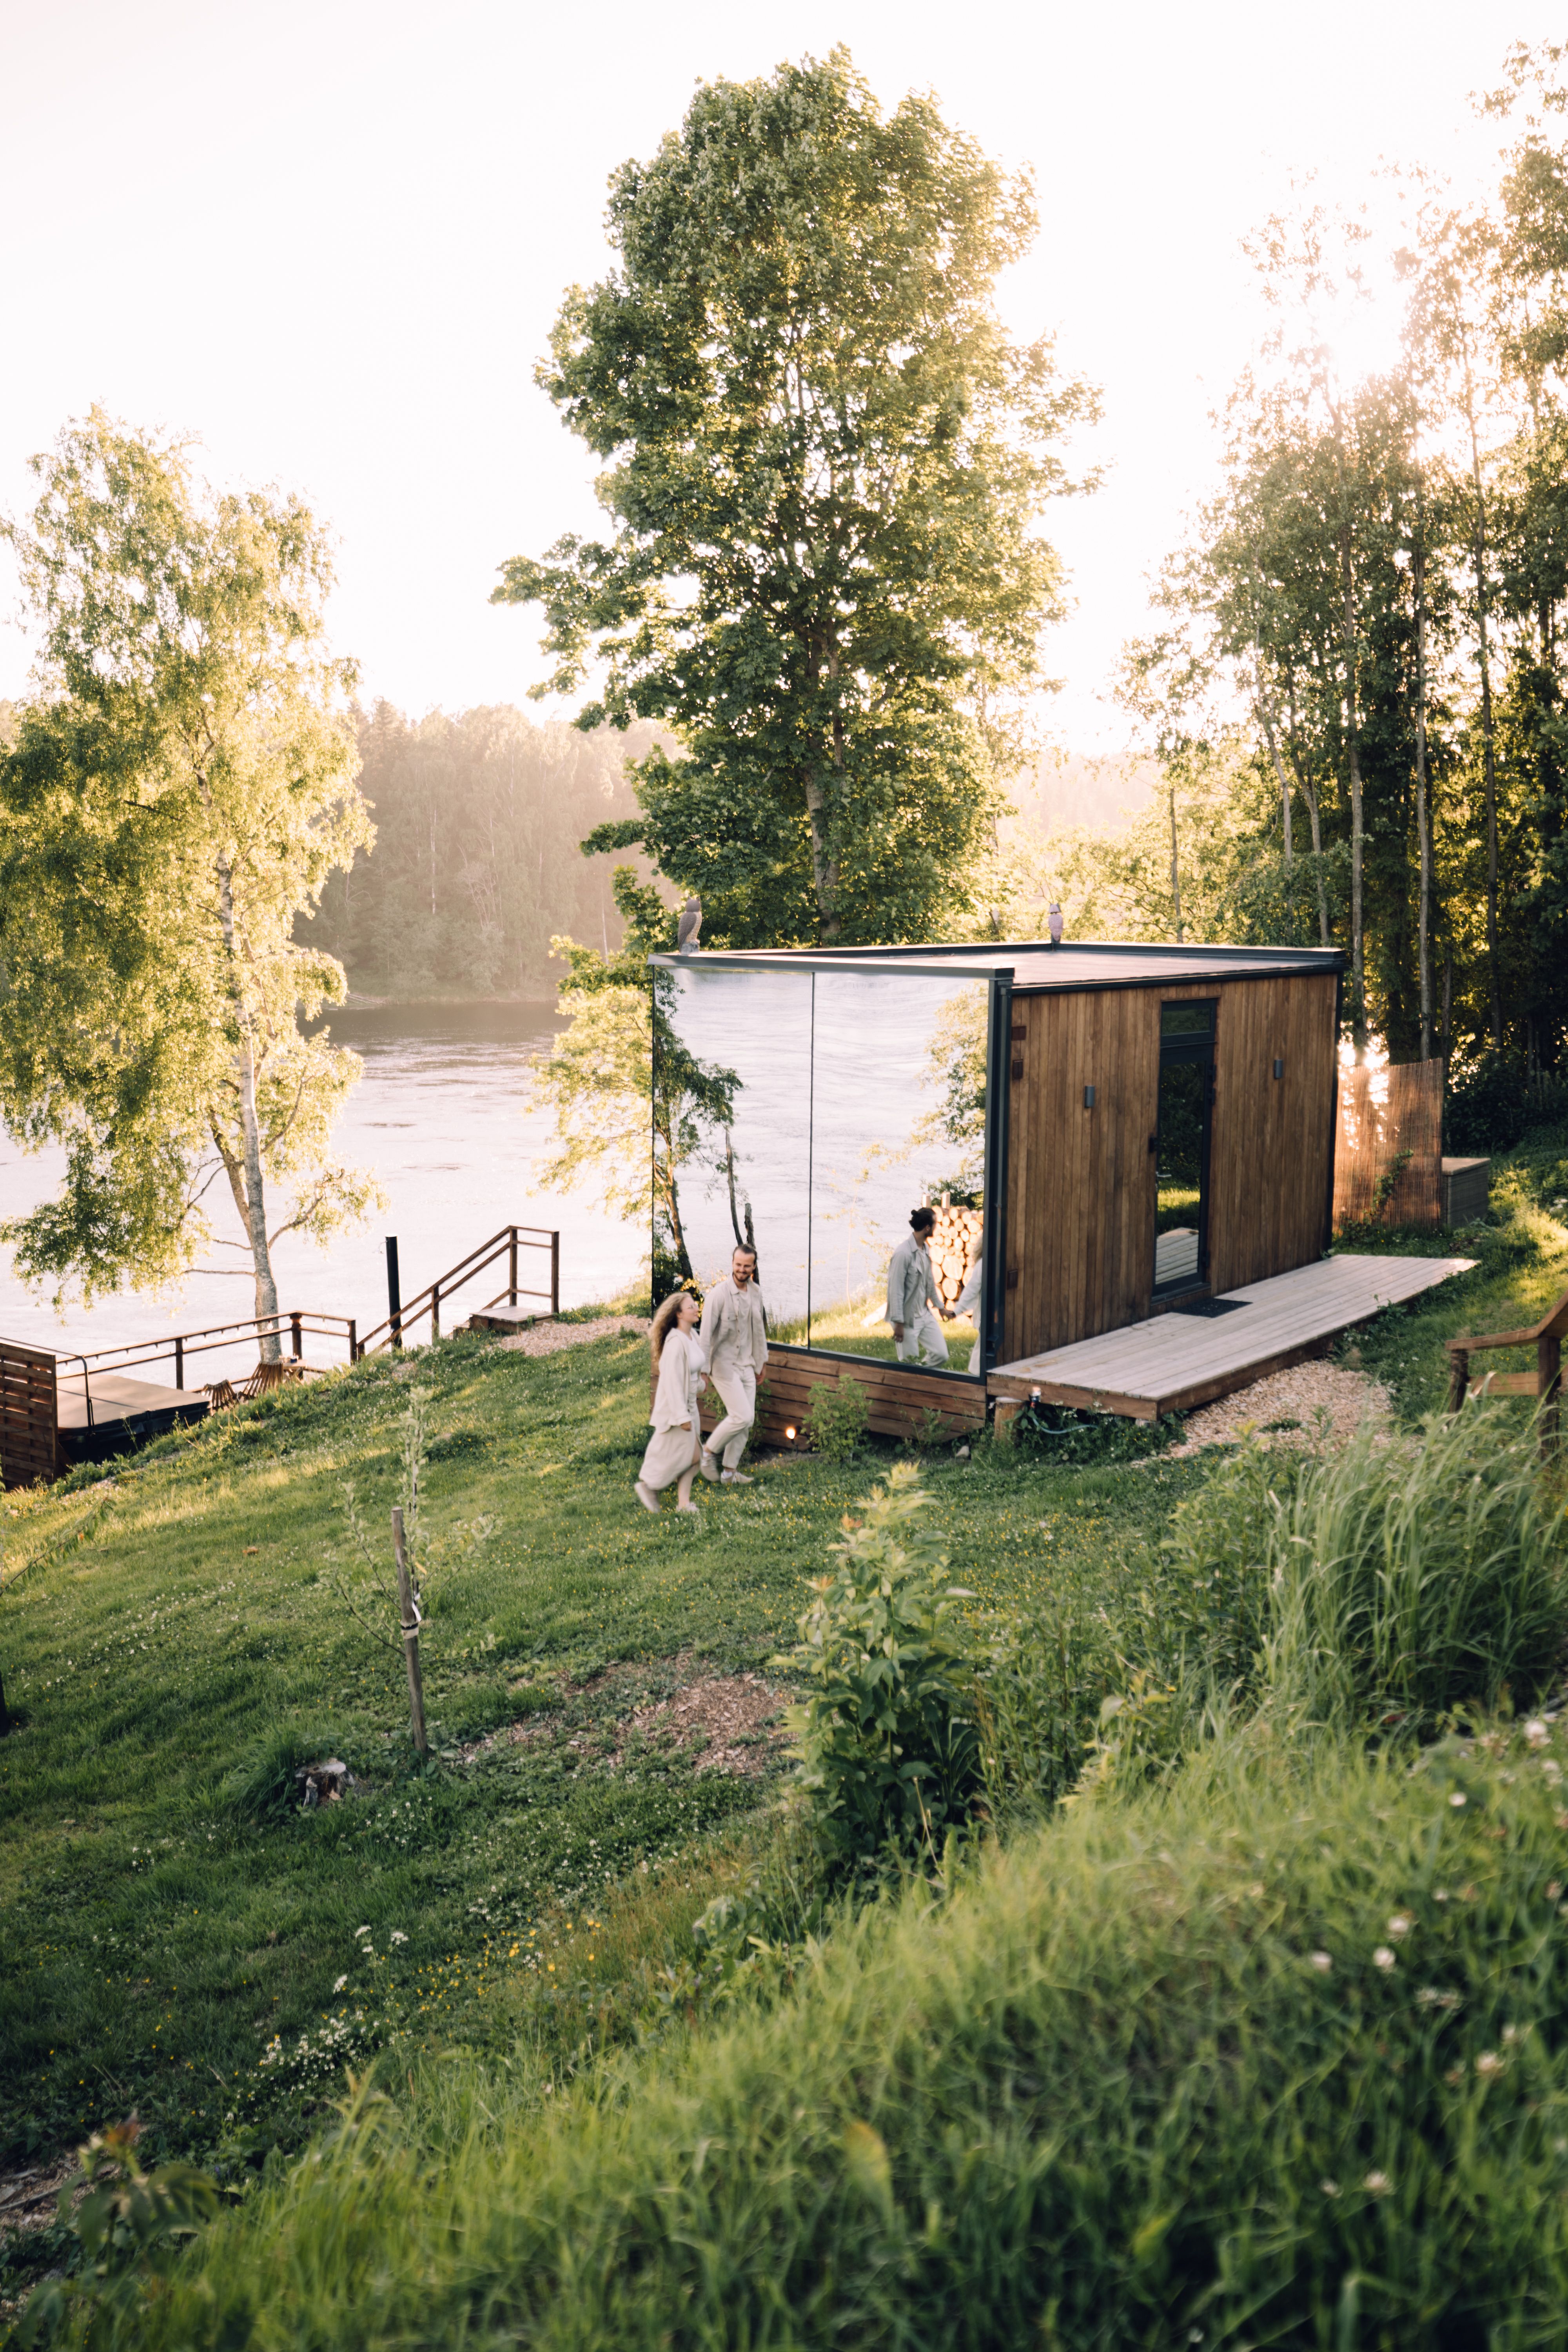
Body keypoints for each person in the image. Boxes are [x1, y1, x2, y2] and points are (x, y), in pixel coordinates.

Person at [699, 1245, 767, 1485]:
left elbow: (758, 1332)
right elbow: (705, 1335)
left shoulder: (756, 1293)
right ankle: (708, 1452)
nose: (742, 1269)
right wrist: (704, 1371)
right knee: (741, 1415)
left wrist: (762, 1363)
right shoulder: (718, 1295)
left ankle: (729, 1474)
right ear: (733, 1264)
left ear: (753, 1267)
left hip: (747, 1364)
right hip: (723, 1366)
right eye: (738, 1265)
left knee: (746, 1422)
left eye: (747, 1266)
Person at [636, 1290, 707, 1515]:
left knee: (694, 1457)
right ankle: (649, 1486)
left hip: (690, 1405)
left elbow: (691, 1373)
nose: (696, 1309)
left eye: (696, 1305)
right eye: (690, 1307)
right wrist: (681, 1417)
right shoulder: (675, 1343)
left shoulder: (692, 1336)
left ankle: (683, 1503)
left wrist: (700, 1384)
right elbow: (672, 1382)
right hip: (678, 1409)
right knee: (686, 1456)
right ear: (678, 1314)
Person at [886, 1207, 950, 1365]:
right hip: (906, 1320)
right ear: (927, 1228)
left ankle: (921, 1378)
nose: (937, 1227)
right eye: (935, 1224)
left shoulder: (926, 1250)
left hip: (925, 1315)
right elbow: (896, 1292)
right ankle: (913, 1383)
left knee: (941, 1355)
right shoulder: (903, 1254)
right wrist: (899, 1323)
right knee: (909, 1364)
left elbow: (929, 1283)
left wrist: (940, 1307)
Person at [953, 1232, 984, 1373]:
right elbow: (972, 1289)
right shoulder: (985, 1264)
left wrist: (957, 1310)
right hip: (990, 1314)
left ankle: (978, 1376)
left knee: (982, 1347)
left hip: (989, 1315)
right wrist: (957, 1310)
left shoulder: (984, 1263)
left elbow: (972, 1289)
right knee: (982, 1347)